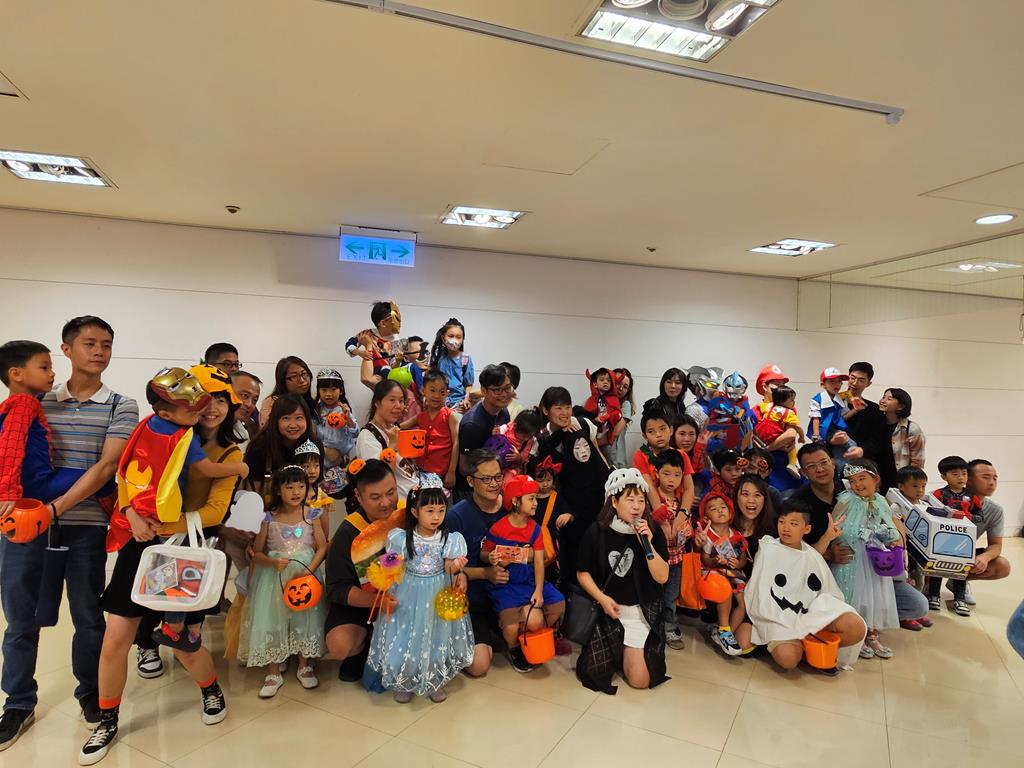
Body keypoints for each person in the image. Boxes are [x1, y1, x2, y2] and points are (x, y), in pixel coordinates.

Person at [78, 366, 242, 764]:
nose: (208, 407)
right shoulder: (152, 429)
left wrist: (159, 525)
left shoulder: (226, 452)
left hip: (183, 550)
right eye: (202, 399)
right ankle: (108, 719)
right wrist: (132, 513)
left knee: (180, 639)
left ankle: (210, 689)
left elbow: (215, 511)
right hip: (140, 544)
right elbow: (127, 476)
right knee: (115, 639)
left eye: (219, 400)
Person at [1, 317, 138, 751]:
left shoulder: (121, 405)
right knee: (20, 620)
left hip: (85, 527)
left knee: (88, 617)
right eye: (89, 343)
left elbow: (107, 466)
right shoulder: (36, 399)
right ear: (66, 349)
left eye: (106, 344)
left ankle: (92, 694)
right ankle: (18, 703)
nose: (99, 351)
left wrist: (54, 509)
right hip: (24, 527)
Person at [367, 475, 473, 703]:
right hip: (409, 592)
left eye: (441, 511)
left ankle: (434, 679)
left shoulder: (449, 539)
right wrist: (386, 574)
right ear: (415, 511)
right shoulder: (402, 538)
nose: (436, 517)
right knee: (406, 635)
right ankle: (405, 679)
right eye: (430, 511)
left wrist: (456, 565)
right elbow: (395, 564)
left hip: (436, 592)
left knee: (436, 636)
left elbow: (448, 568)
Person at [736, 501, 866, 673]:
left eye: (794, 523)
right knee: (788, 659)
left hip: (809, 613)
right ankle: (803, 649)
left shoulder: (811, 555)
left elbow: (811, 563)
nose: (786, 528)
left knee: (856, 628)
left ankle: (811, 647)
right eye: (782, 522)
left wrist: (827, 537)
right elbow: (760, 590)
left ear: (806, 529)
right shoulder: (768, 548)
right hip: (779, 618)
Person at [575, 468, 669, 695]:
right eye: (630, 500)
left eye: (641, 500)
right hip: (609, 612)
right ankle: (618, 651)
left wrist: (648, 545)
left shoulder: (653, 532)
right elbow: (582, 573)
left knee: (640, 680)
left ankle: (627, 650)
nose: (637, 506)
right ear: (614, 502)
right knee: (595, 674)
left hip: (639, 612)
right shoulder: (597, 532)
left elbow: (662, 577)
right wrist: (602, 599)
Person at [239, 465, 327, 697]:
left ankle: (304, 664)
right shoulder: (268, 518)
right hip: (274, 578)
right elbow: (257, 553)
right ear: (278, 490)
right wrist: (271, 562)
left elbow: (322, 547)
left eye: (301, 486)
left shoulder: (312, 515)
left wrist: (309, 570)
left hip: (304, 577)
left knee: (304, 617)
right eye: (289, 487)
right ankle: (274, 670)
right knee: (273, 618)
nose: (296, 492)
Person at [324, 459, 399, 682]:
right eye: (375, 497)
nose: (386, 503)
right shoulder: (349, 532)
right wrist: (378, 602)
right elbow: (337, 589)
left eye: (391, 492)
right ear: (358, 496)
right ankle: (364, 647)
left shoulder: (409, 515)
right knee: (340, 645)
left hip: (406, 600)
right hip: (365, 604)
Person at [482, 474, 565, 673]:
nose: (536, 503)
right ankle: (514, 648)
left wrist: (538, 591)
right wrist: (491, 558)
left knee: (557, 605)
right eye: (531, 498)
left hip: (528, 582)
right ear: (516, 501)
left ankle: (526, 636)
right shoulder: (499, 528)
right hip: (505, 586)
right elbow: (484, 553)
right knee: (511, 627)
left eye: (535, 498)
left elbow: (539, 562)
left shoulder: (535, 529)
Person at [536, 386, 610, 591]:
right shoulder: (543, 438)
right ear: (546, 410)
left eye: (567, 407)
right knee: (575, 549)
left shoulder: (583, 424)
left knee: (598, 545)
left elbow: (597, 453)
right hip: (571, 502)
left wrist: (609, 480)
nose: (564, 413)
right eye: (558, 408)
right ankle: (574, 595)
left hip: (596, 494)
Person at [829, 461, 900, 660]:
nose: (857, 485)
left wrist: (887, 535)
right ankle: (856, 633)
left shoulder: (881, 501)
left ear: (875, 479)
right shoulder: (846, 500)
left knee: (875, 596)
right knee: (855, 594)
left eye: (862, 479)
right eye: (852, 481)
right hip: (853, 557)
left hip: (874, 557)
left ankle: (872, 633)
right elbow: (837, 528)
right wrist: (863, 533)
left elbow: (890, 526)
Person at [446, 450, 507, 677]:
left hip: (509, 592)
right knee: (479, 666)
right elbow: (450, 569)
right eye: (486, 479)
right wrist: (485, 573)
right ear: (471, 481)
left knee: (537, 621)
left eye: (498, 477)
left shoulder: (512, 506)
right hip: (474, 598)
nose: (494, 484)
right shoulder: (456, 516)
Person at [649, 450, 693, 650]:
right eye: (666, 474)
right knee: (653, 593)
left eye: (677, 475)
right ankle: (651, 625)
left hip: (676, 559)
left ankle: (669, 627)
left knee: (670, 596)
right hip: (656, 559)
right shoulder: (652, 499)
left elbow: (688, 525)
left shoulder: (681, 500)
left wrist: (687, 530)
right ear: (656, 473)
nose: (671, 479)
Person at [695, 492, 749, 656]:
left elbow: (743, 559)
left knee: (743, 601)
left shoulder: (737, 536)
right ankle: (725, 629)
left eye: (723, 507)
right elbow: (705, 559)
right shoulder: (708, 536)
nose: (720, 510)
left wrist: (737, 564)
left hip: (731, 571)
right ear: (706, 518)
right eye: (713, 509)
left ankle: (725, 631)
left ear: (730, 512)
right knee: (724, 588)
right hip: (713, 572)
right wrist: (715, 560)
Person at [243, 394, 322, 499]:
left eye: (299, 418)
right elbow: (252, 493)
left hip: (304, 506)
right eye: (286, 418)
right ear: (275, 420)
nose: (293, 425)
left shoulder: (314, 444)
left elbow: (317, 484)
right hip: (266, 505)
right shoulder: (259, 447)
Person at [887, 466, 935, 628]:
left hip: (920, 551)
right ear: (901, 486)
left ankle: (918, 612)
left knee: (919, 579)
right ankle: (906, 615)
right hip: (904, 550)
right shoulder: (896, 506)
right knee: (906, 579)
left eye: (923, 486)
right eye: (915, 486)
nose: (920, 490)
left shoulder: (924, 505)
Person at [957, 459, 1012, 604]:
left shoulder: (995, 510)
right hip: (934, 551)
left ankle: (958, 582)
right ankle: (928, 583)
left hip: (963, 554)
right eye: (986, 477)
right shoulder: (946, 499)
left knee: (1002, 566)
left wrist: (985, 557)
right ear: (968, 479)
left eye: (995, 478)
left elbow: (995, 545)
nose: (992, 483)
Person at [357, 379, 419, 499]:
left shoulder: (394, 428)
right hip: (397, 505)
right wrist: (392, 446)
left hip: (414, 498)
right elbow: (378, 479)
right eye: (392, 400)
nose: (398, 406)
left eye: (401, 401)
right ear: (377, 402)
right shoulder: (367, 437)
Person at [456, 365, 513, 492]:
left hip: (494, 482)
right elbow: (464, 467)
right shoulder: (472, 424)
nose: (504, 394)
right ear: (484, 391)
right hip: (471, 488)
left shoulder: (503, 412)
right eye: (497, 390)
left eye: (507, 388)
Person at [788, 444, 850, 559]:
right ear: (803, 472)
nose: (820, 469)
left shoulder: (850, 488)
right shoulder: (796, 505)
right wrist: (828, 554)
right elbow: (792, 550)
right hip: (817, 566)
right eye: (811, 466)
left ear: (833, 463)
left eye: (824, 462)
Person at [403, 369, 459, 488]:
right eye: (432, 390)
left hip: (440, 472)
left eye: (442, 392)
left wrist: (451, 472)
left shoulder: (450, 416)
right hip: (419, 469)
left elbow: (456, 443)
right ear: (423, 390)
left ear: (447, 393)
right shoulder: (421, 416)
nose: (436, 396)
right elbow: (400, 427)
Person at [633, 402, 694, 511]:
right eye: (651, 431)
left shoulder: (681, 455)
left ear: (671, 430)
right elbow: (649, 486)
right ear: (645, 436)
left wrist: (683, 513)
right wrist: (659, 512)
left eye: (662, 429)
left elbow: (688, 488)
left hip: (679, 508)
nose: (658, 435)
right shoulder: (640, 455)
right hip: (652, 510)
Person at [842, 362, 894, 487]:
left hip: (862, 467)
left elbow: (877, 440)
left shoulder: (874, 409)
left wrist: (862, 450)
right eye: (852, 378)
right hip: (834, 461)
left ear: (868, 383)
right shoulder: (832, 402)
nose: (855, 383)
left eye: (861, 380)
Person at [529, 455, 573, 591]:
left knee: (554, 575)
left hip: (554, 544)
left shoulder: (557, 497)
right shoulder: (529, 497)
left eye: (549, 480)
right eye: (540, 480)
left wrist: (568, 516)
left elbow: (570, 514)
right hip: (532, 541)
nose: (545, 484)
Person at [313, 368, 359, 495]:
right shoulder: (315, 410)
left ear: (341, 390)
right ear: (318, 390)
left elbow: (355, 434)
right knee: (320, 495)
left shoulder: (344, 409)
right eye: (324, 390)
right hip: (321, 461)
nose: (328, 394)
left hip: (343, 462)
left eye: (333, 389)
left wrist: (348, 418)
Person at [808, 368, 858, 468]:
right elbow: (815, 417)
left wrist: (855, 409)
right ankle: (851, 467)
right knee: (851, 444)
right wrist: (816, 435)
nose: (836, 384)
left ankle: (840, 470)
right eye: (832, 381)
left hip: (836, 429)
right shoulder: (817, 399)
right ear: (823, 384)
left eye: (839, 381)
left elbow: (843, 416)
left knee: (839, 451)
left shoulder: (839, 398)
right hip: (824, 430)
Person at [754, 385, 804, 478]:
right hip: (776, 436)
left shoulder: (769, 407)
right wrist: (802, 437)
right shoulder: (789, 413)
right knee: (792, 447)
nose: (794, 402)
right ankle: (792, 465)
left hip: (763, 436)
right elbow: (797, 428)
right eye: (792, 400)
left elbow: (760, 405)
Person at [483, 408, 544, 484]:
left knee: (508, 481)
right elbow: (494, 443)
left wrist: (518, 457)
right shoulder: (505, 429)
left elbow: (525, 459)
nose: (526, 438)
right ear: (515, 426)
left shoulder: (531, 442)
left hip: (512, 468)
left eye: (530, 436)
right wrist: (495, 434)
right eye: (524, 436)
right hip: (494, 463)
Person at [428, 318, 474, 410]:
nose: (454, 340)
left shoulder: (465, 358)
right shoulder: (437, 357)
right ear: (443, 338)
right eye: (451, 336)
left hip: (459, 403)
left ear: (463, 339)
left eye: (458, 337)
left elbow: (468, 385)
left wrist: (466, 399)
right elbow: (429, 380)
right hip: (438, 402)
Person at [880, 388, 925, 479]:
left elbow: (917, 462)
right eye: (883, 397)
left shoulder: (911, 428)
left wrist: (909, 481)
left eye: (889, 399)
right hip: (877, 478)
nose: (882, 401)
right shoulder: (876, 424)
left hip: (900, 479)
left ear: (900, 406)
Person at [259, 356, 318, 426]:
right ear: (282, 381)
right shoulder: (272, 403)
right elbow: (267, 429)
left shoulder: (311, 402)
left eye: (304, 374)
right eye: (294, 376)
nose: (302, 380)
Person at [607, 368, 635, 469]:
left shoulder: (625, 405)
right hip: (600, 458)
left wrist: (598, 440)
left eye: (625, 387)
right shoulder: (597, 402)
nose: (620, 388)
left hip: (617, 462)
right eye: (618, 383)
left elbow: (615, 432)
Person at [230, 371, 262, 444]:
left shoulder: (243, 433)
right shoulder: (209, 431)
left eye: (255, 400)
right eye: (245, 395)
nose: (249, 404)